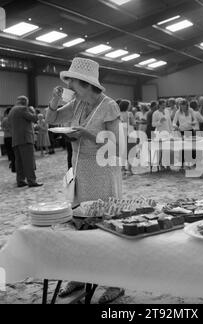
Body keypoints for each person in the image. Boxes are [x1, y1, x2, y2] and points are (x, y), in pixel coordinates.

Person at [45, 57, 124, 303]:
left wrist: (86, 134)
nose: (70, 86)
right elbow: (51, 120)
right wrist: (55, 100)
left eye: (73, 82)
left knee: (105, 226)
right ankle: (79, 276)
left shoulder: (109, 106)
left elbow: (116, 143)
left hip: (102, 171)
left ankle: (116, 283)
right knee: (80, 224)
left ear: (87, 83)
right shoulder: (78, 103)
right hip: (79, 170)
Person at [8, 96, 42, 187]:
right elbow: (34, 118)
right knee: (28, 161)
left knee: (19, 162)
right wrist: (35, 112)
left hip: (15, 140)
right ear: (25, 102)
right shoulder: (23, 109)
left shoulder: (11, 111)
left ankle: (20, 180)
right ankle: (32, 181)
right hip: (25, 139)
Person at [119, 99, 135, 175]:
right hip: (130, 133)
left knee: (122, 151)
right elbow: (133, 123)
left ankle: (122, 168)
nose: (130, 106)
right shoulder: (129, 114)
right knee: (131, 151)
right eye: (129, 105)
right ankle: (129, 169)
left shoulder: (118, 114)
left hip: (121, 134)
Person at [2, 107, 15, 172]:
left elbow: (2, 128)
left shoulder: (4, 119)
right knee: (13, 151)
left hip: (6, 137)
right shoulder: (12, 119)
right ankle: (13, 163)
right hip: (12, 136)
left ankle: (11, 162)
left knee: (9, 150)